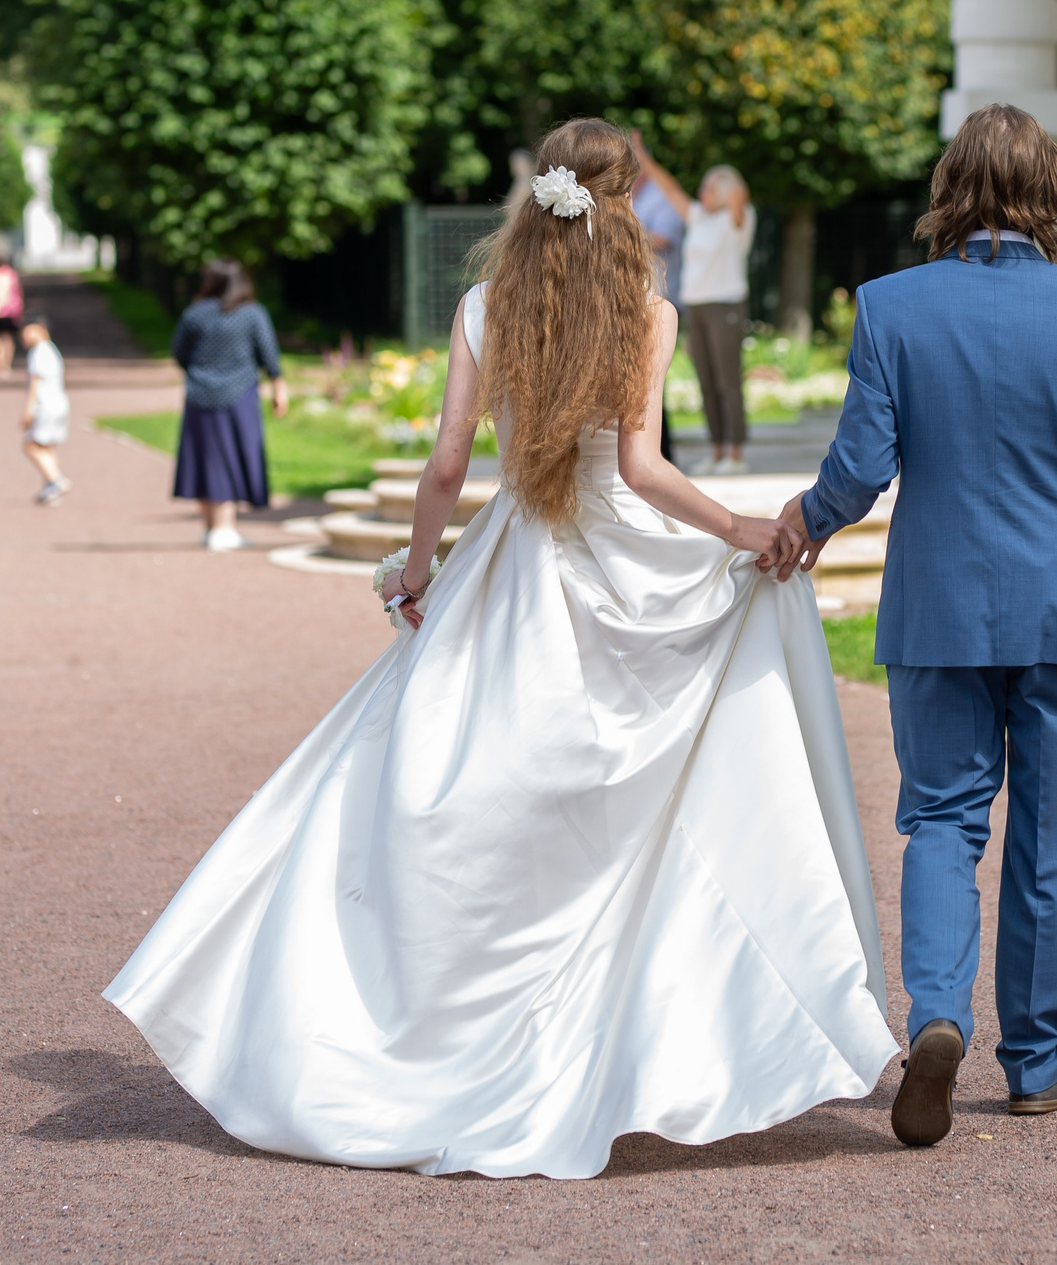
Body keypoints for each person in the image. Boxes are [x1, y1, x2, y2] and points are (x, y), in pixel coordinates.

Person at [106, 119, 895, 1178]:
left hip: (511, 560)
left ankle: (435, 1024)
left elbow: (445, 466)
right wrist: (739, 528)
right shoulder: (646, 312)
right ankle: (627, 1027)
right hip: (616, 557)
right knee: (643, 787)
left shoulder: (486, 304)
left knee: (451, 786)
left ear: (540, 192)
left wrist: (417, 570)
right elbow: (641, 468)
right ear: (624, 204)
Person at [771, 103, 1057, 1149]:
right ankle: (1038, 1066)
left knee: (942, 819)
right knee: (1050, 836)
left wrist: (807, 520)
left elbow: (863, 467)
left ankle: (936, 1014)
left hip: (936, 611)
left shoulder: (890, 306)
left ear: (948, 189)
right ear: (1050, 193)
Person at [636, 145, 753, 475]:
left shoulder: (738, 219)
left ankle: (735, 454)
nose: (702, 192)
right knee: (706, 381)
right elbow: (670, 188)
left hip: (725, 305)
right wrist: (644, 158)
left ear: (725, 191)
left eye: (709, 187)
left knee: (728, 381)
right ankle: (716, 451)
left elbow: (740, 191)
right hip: (696, 308)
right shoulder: (699, 217)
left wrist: (723, 179)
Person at [169, 259, 286, 551]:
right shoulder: (252, 314)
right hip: (239, 395)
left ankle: (211, 527)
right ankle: (223, 529)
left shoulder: (195, 313)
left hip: (199, 395)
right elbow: (269, 354)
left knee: (203, 459)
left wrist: (200, 372)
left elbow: (178, 352)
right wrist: (278, 388)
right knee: (231, 458)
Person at [626, 133, 687, 464]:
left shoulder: (661, 199)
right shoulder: (627, 197)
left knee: (652, 379)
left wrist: (618, 233)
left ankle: (661, 455)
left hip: (658, 299)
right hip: (628, 300)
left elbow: (662, 238)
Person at [20, 312, 72, 505]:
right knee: (47, 447)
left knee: (31, 446)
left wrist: (28, 409)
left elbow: (35, 382)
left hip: (45, 405)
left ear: (40, 330)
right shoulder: (52, 349)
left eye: (27, 331)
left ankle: (57, 480)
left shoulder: (39, 351)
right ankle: (50, 489)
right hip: (59, 403)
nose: (23, 337)